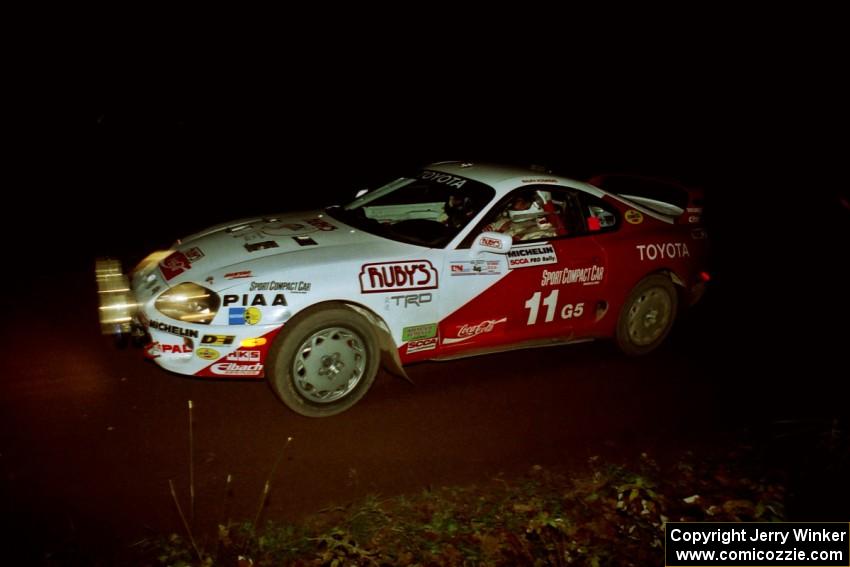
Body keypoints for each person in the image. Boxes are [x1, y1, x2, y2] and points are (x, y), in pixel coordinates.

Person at [484, 193, 560, 241]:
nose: (513, 204)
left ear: (535, 206)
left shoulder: (540, 232)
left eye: (519, 201)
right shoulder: (504, 221)